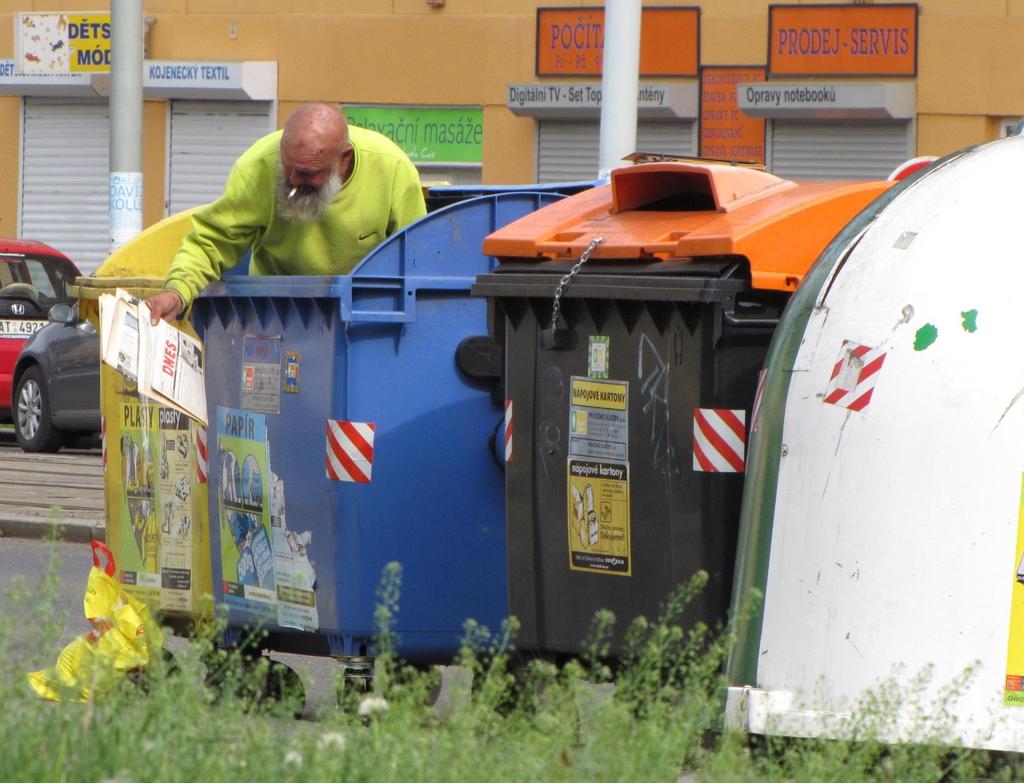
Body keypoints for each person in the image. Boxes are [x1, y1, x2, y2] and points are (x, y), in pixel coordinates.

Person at [146, 102, 426, 323]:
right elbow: (212, 241)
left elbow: (419, 258)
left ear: (344, 160)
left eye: (307, 173)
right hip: (277, 313)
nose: (292, 179)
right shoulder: (258, 166)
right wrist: (177, 292)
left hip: (368, 316)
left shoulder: (392, 171)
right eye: (287, 164)